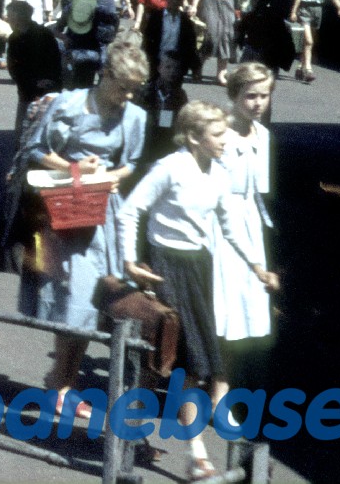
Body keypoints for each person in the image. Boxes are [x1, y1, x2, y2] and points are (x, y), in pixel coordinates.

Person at [117, 101, 278, 481]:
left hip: (199, 268)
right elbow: (129, 210)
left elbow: (229, 223)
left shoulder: (218, 173)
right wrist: (129, 260)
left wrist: (256, 266)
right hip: (165, 268)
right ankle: (190, 452)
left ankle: (165, 444)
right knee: (178, 361)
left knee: (188, 364)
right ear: (193, 137)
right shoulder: (170, 168)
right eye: (218, 134)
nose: (226, 140)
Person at [13, 43, 149, 421]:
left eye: (134, 89)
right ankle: (61, 385)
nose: (127, 96)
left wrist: (107, 177)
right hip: (67, 211)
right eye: (122, 87)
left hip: (105, 214)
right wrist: (78, 171)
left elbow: (131, 164)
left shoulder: (135, 117)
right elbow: (37, 150)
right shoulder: (69, 104)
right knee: (74, 298)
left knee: (93, 301)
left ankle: (63, 382)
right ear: (104, 75)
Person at [216, 63, 277, 390]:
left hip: (249, 228)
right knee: (222, 314)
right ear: (234, 94)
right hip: (220, 230)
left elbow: (259, 193)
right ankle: (213, 389)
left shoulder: (263, 135)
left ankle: (222, 392)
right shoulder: (218, 133)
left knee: (241, 315)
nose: (257, 103)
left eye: (263, 96)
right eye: (250, 95)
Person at [4, 0, 62, 137]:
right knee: (27, 132)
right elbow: (14, 69)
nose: (8, 19)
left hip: (44, 90)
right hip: (29, 90)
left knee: (35, 131)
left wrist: (48, 80)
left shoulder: (42, 35)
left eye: (10, 15)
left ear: (19, 18)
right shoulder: (16, 38)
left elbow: (55, 61)